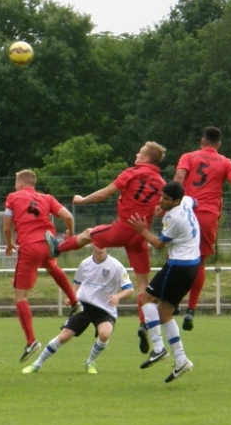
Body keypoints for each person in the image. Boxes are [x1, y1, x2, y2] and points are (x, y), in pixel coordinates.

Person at [47, 141, 167, 354]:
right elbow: (164, 208)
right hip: (141, 235)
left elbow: (104, 194)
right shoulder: (161, 183)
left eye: (140, 153)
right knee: (142, 283)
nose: (136, 155)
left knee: (88, 234)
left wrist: (82, 200)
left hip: (123, 228)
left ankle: (58, 248)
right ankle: (143, 323)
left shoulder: (131, 173)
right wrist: (158, 210)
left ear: (146, 158)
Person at [172, 126, 231, 332]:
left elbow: (178, 178)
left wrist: (171, 202)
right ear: (219, 144)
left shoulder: (189, 157)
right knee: (200, 263)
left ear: (202, 142)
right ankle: (191, 310)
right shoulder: (225, 162)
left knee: (175, 257)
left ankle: (174, 301)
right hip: (207, 216)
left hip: (185, 212)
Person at [3, 168, 80, 363]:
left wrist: (9, 242)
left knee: (20, 296)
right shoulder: (47, 197)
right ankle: (74, 301)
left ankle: (31, 341)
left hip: (29, 245)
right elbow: (68, 216)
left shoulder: (13, 197)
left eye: (16, 183)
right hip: (48, 242)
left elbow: (6, 226)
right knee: (52, 266)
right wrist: (70, 233)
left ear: (21, 183)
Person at [22, 244, 135, 375]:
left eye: (102, 243)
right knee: (63, 337)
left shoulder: (116, 266)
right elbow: (77, 283)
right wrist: (72, 298)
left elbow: (130, 289)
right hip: (84, 306)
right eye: (97, 242)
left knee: (104, 334)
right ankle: (37, 364)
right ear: (92, 244)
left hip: (104, 309)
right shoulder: (85, 263)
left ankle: (90, 362)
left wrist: (117, 296)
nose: (100, 246)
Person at [129, 182, 200, 383]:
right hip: (191, 266)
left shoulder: (173, 217)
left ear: (176, 201)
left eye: (166, 199)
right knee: (164, 312)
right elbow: (195, 201)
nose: (161, 200)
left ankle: (159, 348)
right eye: (161, 196)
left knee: (146, 299)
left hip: (178, 266)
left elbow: (159, 244)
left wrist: (142, 230)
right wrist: (164, 207)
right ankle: (181, 359)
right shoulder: (185, 201)